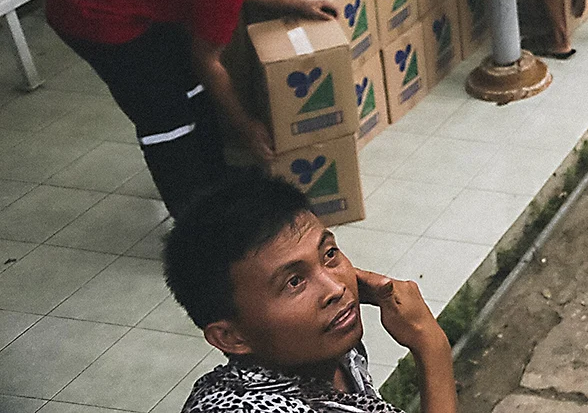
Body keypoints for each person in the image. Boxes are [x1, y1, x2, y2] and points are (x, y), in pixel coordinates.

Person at [45, 0, 333, 215]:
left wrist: (298, 5)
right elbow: (208, 60)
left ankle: (213, 177)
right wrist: (246, 126)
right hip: (91, 14)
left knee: (191, 85)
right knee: (164, 112)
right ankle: (191, 214)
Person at [165, 173, 456, 412]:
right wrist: (430, 343)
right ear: (230, 337)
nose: (336, 288)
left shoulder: (329, 353)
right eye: (294, 282)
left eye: (329, 254)